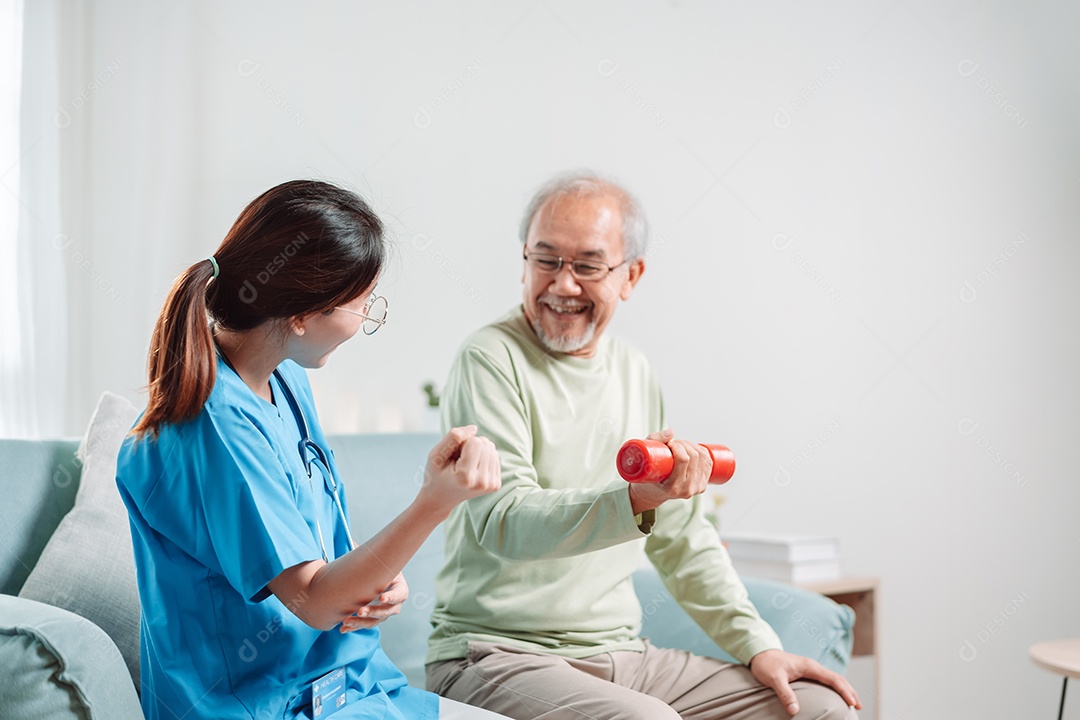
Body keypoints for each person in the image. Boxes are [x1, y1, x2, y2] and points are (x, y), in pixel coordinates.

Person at [425, 172, 862, 719]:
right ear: (523, 262)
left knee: (820, 709)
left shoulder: (636, 371)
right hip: (495, 655)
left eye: (586, 265)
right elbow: (504, 520)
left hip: (623, 654)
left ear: (630, 275)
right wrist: (633, 501)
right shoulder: (489, 358)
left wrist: (760, 645)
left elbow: (681, 538)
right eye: (546, 260)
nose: (563, 285)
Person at [116, 180, 511, 719]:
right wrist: (434, 503)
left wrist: (374, 583)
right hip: (263, 706)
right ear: (301, 315)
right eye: (362, 307)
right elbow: (314, 600)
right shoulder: (213, 426)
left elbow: (323, 566)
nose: (365, 322)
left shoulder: (285, 380)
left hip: (350, 687)